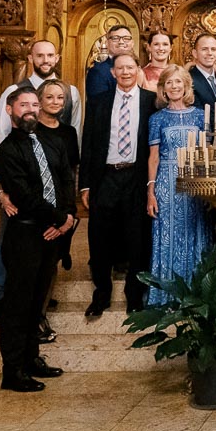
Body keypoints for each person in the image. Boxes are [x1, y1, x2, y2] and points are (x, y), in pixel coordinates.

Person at [0, 40, 81, 325]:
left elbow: (72, 143)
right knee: (12, 243)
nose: (45, 59)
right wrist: (3, 191)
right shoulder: (13, 92)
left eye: (50, 54)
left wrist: (68, 215)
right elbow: (3, 142)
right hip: (22, 190)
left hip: (54, 198)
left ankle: (38, 299)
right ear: (30, 57)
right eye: (39, 54)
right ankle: (3, 296)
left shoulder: (71, 94)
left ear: (58, 57)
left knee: (47, 249)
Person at [0, 87, 76, 392]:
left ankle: (31, 359)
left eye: (33, 104)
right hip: (26, 233)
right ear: (10, 110)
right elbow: (24, 195)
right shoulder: (6, 151)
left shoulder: (53, 141)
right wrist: (59, 218)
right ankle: (12, 371)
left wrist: (68, 217)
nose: (29, 109)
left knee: (37, 302)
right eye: (23, 105)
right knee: (18, 304)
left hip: (52, 233)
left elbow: (66, 180)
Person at [80, 54, 156, 318]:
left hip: (136, 176)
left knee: (137, 239)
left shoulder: (150, 102)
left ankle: (134, 296)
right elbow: (88, 143)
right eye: (120, 68)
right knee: (99, 238)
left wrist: (151, 185)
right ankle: (101, 294)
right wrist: (85, 185)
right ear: (112, 72)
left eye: (130, 67)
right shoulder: (99, 102)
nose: (125, 72)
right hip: (105, 178)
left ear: (138, 70)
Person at [145, 66, 211, 305]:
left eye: (178, 83)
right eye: (169, 83)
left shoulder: (200, 116)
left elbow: (206, 154)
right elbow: (154, 157)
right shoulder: (157, 118)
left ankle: (195, 295)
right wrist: (150, 191)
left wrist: (207, 187)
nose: (174, 87)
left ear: (186, 87)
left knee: (195, 231)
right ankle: (166, 296)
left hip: (194, 181)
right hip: (166, 182)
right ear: (163, 88)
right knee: (167, 235)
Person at [34, 79, 80, 340]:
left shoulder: (68, 133)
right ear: (39, 100)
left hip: (60, 209)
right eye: (50, 97)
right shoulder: (31, 131)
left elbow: (69, 174)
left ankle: (40, 316)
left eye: (60, 98)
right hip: (37, 209)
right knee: (37, 266)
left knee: (51, 264)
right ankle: (34, 319)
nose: (55, 102)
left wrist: (69, 214)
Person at [85, 25, 134, 101]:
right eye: (115, 38)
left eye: (126, 38)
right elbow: (99, 105)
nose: (121, 42)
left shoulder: (138, 69)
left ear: (132, 43)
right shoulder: (98, 72)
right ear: (107, 43)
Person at [187, 33, 216, 117]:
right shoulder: (189, 81)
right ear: (195, 53)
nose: (209, 53)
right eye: (204, 49)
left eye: (213, 49)